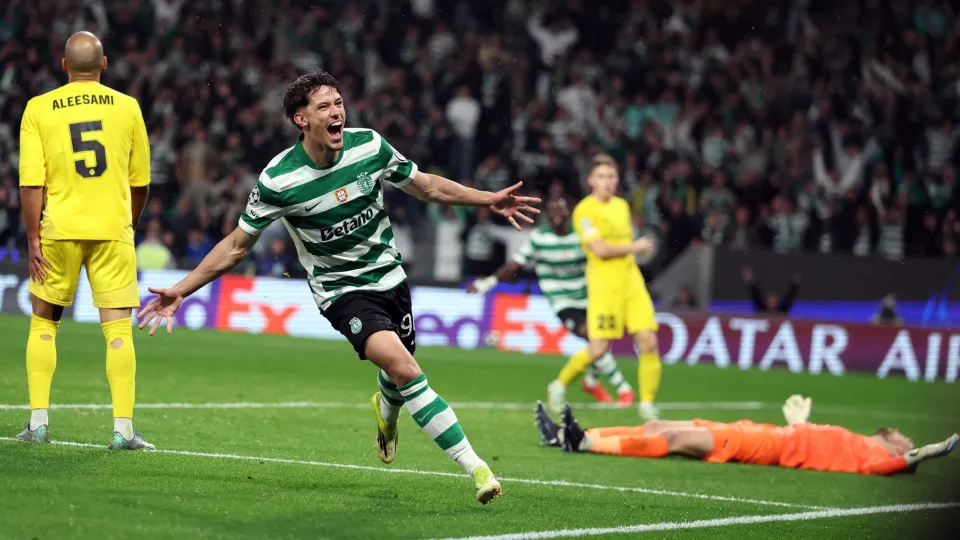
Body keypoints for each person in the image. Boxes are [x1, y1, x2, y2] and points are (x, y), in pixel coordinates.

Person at [136, 70, 540, 504]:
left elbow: (425, 186)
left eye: (339, 103)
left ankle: (387, 414)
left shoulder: (369, 146)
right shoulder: (279, 180)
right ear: (301, 119)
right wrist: (183, 288)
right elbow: (236, 246)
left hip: (391, 278)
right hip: (342, 292)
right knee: (407, 370)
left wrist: (487, 198)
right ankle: (478, 469)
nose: (337, 112)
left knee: (398, 372)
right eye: (324, 106)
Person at [16, 32, 153, 450]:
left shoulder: (39, 108)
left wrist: (33, 238)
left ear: (64, 66)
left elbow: (30, 182)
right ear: (104, 64)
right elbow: (141, 182)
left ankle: (38, 423)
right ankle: (122, 429)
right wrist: (128, 223)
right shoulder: (128, 107)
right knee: (118, 330)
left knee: (44, 323)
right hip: (112, 230)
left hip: (60, 229)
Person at [467, 197, 634, 410]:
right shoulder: (539, 238)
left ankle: (591, 381)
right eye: (552, 212)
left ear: (568, 214)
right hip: (562, 301)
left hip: (590, 296)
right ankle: (622, 388)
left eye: (561, 211)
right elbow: (514, 265)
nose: (557, 216)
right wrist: (487, 283)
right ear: (547, 216)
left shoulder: (580, 235)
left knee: (601, 339)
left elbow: (599, 256)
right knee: (592, 335)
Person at [535, 397, 958, 476]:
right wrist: (801, 421)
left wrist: (926, 453)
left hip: (766, 446)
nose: (904, 438)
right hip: (762, 432)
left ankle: (584, 442)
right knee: (656, 427)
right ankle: (568, 437)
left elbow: (897, 462)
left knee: (676, 437)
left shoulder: (873, 458)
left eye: (907, 442)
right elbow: (810, 440)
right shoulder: (859, 441)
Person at [567, 154, 661, 420]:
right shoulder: (584, 211)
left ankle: (647, 403)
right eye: (601, 177)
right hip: (604, 286)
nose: (607, 182)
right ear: (591, 180)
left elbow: (622, 247)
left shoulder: (621, 206)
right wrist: (636, 247)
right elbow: (599, 249)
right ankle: (560, 385)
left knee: (649, 341)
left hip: (631, 282)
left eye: (611, 176)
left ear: (617, 179)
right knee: (598, 348)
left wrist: (635, 251)